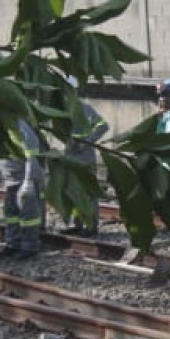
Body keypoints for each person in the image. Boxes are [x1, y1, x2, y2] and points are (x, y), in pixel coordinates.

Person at [62, 78, 109, 236]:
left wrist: (87, 142)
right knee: (74, 191)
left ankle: (91, 226)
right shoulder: (63, 108)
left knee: (87, 192)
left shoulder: (83, 108)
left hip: (84, 156)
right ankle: (78, 224)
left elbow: (103, 125)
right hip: (70, 155)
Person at [0, 118, 46, 257]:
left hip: (24, 177)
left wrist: (29, 180)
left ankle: (30, 247)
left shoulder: (20, 126)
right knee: (11, 213)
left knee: (28, 215)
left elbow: (32, 154)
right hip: (11, 179)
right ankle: (13, 244)